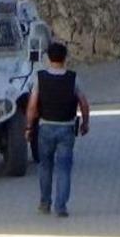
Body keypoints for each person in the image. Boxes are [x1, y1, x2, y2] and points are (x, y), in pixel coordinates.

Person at [25, 42, 90, 218]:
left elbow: (32, 106)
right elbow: (84, 103)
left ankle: (44, 203)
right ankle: (61, 207)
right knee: (64, 168)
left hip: (45, 127)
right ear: (65, 58)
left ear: (48, 58)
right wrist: (85, 123)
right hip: (67, 128)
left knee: (45, 167)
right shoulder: (73, 78)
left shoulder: (40, 78)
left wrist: (29, 127)